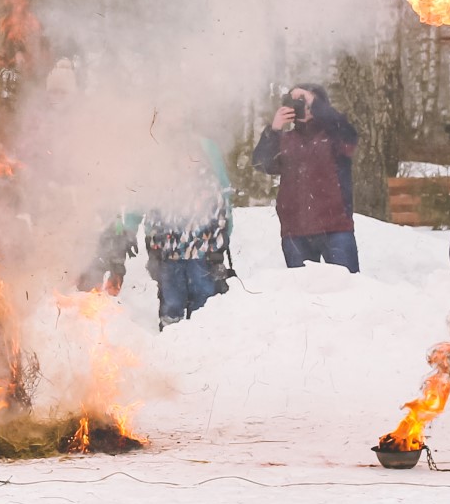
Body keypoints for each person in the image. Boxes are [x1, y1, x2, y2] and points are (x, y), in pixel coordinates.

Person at [252, 83, 361, 272]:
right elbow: (262, 164)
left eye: (306, 102)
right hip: (295, 229)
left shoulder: (335, 135)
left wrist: (314, 101)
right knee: (301, 295)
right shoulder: (286, 139)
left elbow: (348, 134)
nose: (302, 106)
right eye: (297, 102)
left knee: (347, 288)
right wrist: (274, 129)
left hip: (335, 226)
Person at [142, 139, 236, 327]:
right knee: (172, 300)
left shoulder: (209, 184)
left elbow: (219, 218)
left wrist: (217, 250)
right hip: (171, 255)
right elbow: (154, 218)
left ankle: (202, 331)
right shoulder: (165, 185)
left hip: (201, 255)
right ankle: (171, 331)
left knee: (203, 297)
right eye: (184, 157)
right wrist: (153, 248)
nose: (189, 161)